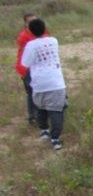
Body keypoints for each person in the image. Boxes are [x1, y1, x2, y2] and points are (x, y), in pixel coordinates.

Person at [20, 17, 67, 150]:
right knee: (56, 110)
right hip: (56, 82)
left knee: (40, 107)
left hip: (39, 82)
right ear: (45, 28)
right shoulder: (54, 41)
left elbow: (25, 63)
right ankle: (56, 139)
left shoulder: (30, 45)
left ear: (30, 31)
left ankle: (44, 130)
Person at [14, 12, 38, 125]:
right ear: (26, 23)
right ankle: (33, 117)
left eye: (35, 20)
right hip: (27, 68)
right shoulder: (24, 36)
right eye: (30, 21)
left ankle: (39, 116)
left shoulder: (41, 32)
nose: (34, 23)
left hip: (38, 68)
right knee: (32, 92)